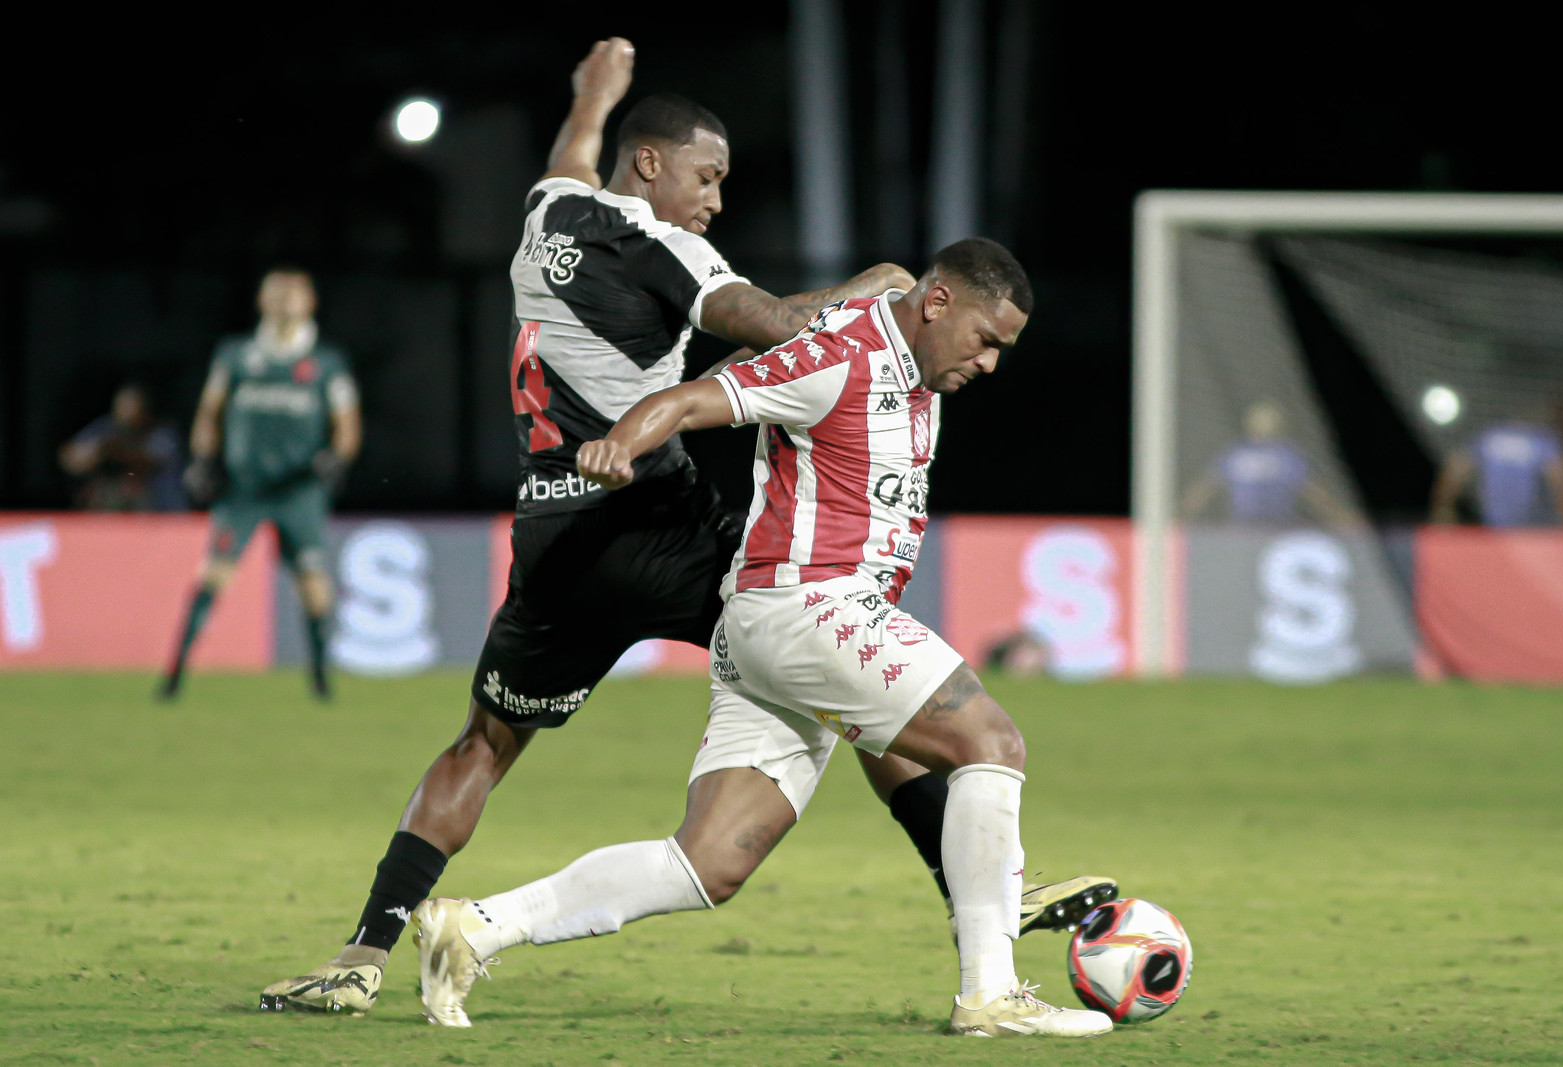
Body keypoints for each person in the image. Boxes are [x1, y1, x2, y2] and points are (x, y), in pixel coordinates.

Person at [260, 40, 1109, 1018]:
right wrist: (868, 290)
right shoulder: (670, 250)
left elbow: (577, 144)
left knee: (488, 746)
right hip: (653, 517)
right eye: (708, 178)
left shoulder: (548, 207)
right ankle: (985, 900)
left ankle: (368, 946)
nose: (715, 200)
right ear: (654, 166)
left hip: (550, 533)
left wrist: (596, 90)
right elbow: (779, 324)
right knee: (855, 666)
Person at [412, 238, 1113, 1039]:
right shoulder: (837, 359)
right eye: (987, 340)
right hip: (809, 608)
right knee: (992, 739)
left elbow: (878, 288)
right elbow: (695, 398)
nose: (990, 364)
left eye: (1004, 351)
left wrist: (878, 282)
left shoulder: (910, 351)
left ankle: (475, 926)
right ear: (941, 303)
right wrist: (619, 445)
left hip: (771, 635)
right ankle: (990, 990)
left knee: (707, 862)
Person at [157, 269, 361, 701]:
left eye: (294, 294)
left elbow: (346, 423)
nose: (285, 301)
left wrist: (337, 459)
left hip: (299, 491)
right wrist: (203, 460)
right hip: (243, 489)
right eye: (277, 293)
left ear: (310, 303)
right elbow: (210, 411)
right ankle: (174, 675)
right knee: (213, 575)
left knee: (313, 584)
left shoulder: (326, 363)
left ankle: (322, 680)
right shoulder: (236, 355)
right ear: (262, 300)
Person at [1180, 401, 1355, 527]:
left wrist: (1340, 517)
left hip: (1275, 527)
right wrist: (1181, 515)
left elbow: (1313, 492)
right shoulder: (1237, 453)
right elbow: (1205, 488)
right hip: (1247, 529)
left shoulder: (1285, 454)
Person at [1431, 416, 1563, 527]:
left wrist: (1443, 508)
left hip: (1521, 527)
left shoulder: (1489, 436)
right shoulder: (1541, 439)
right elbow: (1561, 480)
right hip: (1516, 530)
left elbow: (1456, 468)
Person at [58, 381, 185, 511]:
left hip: (159, 514)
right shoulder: (106, 427)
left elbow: (150, 463)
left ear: (147, 410)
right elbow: (68, 456)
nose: (126, 411)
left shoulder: (163, 432)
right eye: (123, 405)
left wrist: (114, 451)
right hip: (110, 512)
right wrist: (92, 456)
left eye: (132, 405)